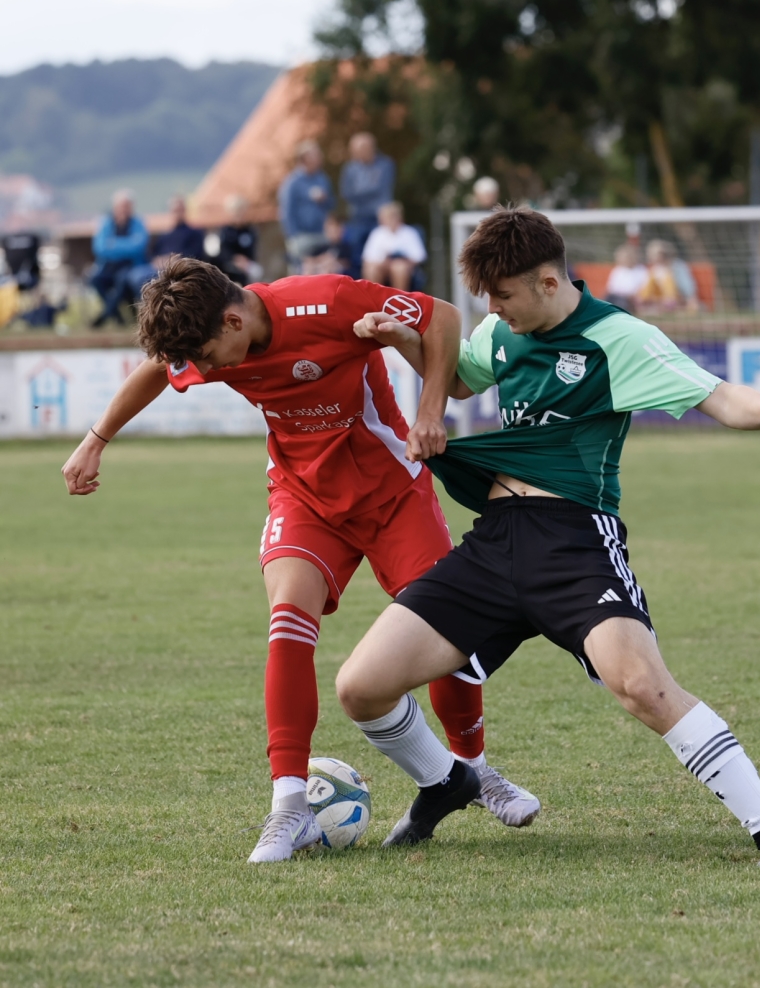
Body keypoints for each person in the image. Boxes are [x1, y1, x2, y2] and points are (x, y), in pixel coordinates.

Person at [335, 206, 760, 866]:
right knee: (361, 685)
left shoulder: (618, 338)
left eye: (503, 296)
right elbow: (464, 378)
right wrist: (401, 339)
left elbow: (716, 394)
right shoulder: (501, 331)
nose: (494, 311)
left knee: (642, 686)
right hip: (494, 544)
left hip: (574, 544)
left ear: (548, 282)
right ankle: (448, 781)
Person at [61, 257, 539, 863]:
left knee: (446, 629)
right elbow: (160, 368)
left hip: (392, 491)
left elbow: (439, 316)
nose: (205, 371)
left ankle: (474, 769)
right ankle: (289, 806)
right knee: (287, 619)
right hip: (303, 495)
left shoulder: (328, 301)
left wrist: (428, 413)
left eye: (207, 357)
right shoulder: (212, 338)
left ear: (234, 321)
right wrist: (95, 440)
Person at [89, 190, 150, 327]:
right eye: (121, 206)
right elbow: (99, 248)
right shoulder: (106, 224)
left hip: (131, 266)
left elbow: (138, 247)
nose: (124, 209)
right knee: (95, 280)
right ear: (115, 207)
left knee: (122, 280)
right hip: (108, 267)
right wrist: (126, 245)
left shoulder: (138, 224)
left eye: (126, 206)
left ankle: (105, 316)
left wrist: (112, 245)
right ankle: (116, 315)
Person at [339, 133, 396, 271]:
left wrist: (360, 193)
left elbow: (382, 191)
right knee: (355, 256)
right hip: (357, 220)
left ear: (370, 147)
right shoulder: (350, 169)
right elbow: (347, 193)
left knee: (381, 255)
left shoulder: (386, 165)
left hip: (380, 220)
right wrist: (370, 190)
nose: (355, 155)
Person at [278, 141, 335, 266]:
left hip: (321, 234)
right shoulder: (292, 182)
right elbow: (286, 211)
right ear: (304, 158)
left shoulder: (322, 179)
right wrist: (293, 236)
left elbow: (331, 205)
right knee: (303, 271)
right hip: (301, 237)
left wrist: (325, 199)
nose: (320, 158)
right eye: (316, 155)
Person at [361, 202, 426, 291]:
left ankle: (399, 298)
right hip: (381, 265)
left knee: (399, 268)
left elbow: (419, 256)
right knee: (371, 270)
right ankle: (373, 298)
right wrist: (384, 263)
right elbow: (368, 258)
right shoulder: (377, 233)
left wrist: (398, 262)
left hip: (403, 266)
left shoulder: (410, 233)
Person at [217, 195, 263, 285]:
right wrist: (235, 259)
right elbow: (224, 250)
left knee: (256, 271)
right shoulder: (226, 230)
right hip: (229, 263)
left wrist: (245, 261)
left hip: (246, 264)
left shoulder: (250, 230)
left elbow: (252, 250)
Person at [645, 239, 698, 313]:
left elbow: (688, 288)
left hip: (678, 299)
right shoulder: (654, 270)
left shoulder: (678, 267)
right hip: (658, 301)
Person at [604, 243, 648, 312]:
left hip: (632, 299)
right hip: (617, 297)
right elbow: (611, 288)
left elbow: (643, 288)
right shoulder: (618, 270)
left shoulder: (641, 270)